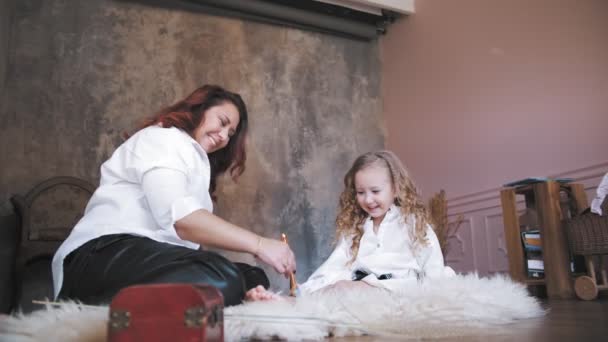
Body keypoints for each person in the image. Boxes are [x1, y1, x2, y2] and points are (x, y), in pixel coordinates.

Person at [51, 85, 296, 307]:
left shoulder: (193, 159)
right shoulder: (163, 139)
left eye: (230, 133)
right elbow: (183, 221)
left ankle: (237, 294)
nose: (223, 136)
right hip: (100, 256)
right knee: (222, 276)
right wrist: (260, 244)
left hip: (148, 258)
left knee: (252, 276)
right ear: (198, 109)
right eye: (222, 122)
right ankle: (96, 307)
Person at [298, 150, 455, 294]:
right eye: (360, 192)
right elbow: (335, 265)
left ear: (395, 189)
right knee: (334, 288)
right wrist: (313, 289)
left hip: (397, 289)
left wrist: (435, 292)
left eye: (375, 191)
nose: (368, 199)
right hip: (360, 287)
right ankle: (297, 299)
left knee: (348, 289)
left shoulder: (412, 223)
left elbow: (433, 266)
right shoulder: (356, 230)